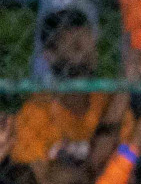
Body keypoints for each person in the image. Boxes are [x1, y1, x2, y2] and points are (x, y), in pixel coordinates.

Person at [12, 10, 133, 169]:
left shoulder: (109, 101)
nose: (88, 55)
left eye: (91, 47)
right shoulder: (34, 111)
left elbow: (125, 166)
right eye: (76, 46)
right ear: (50, 55)